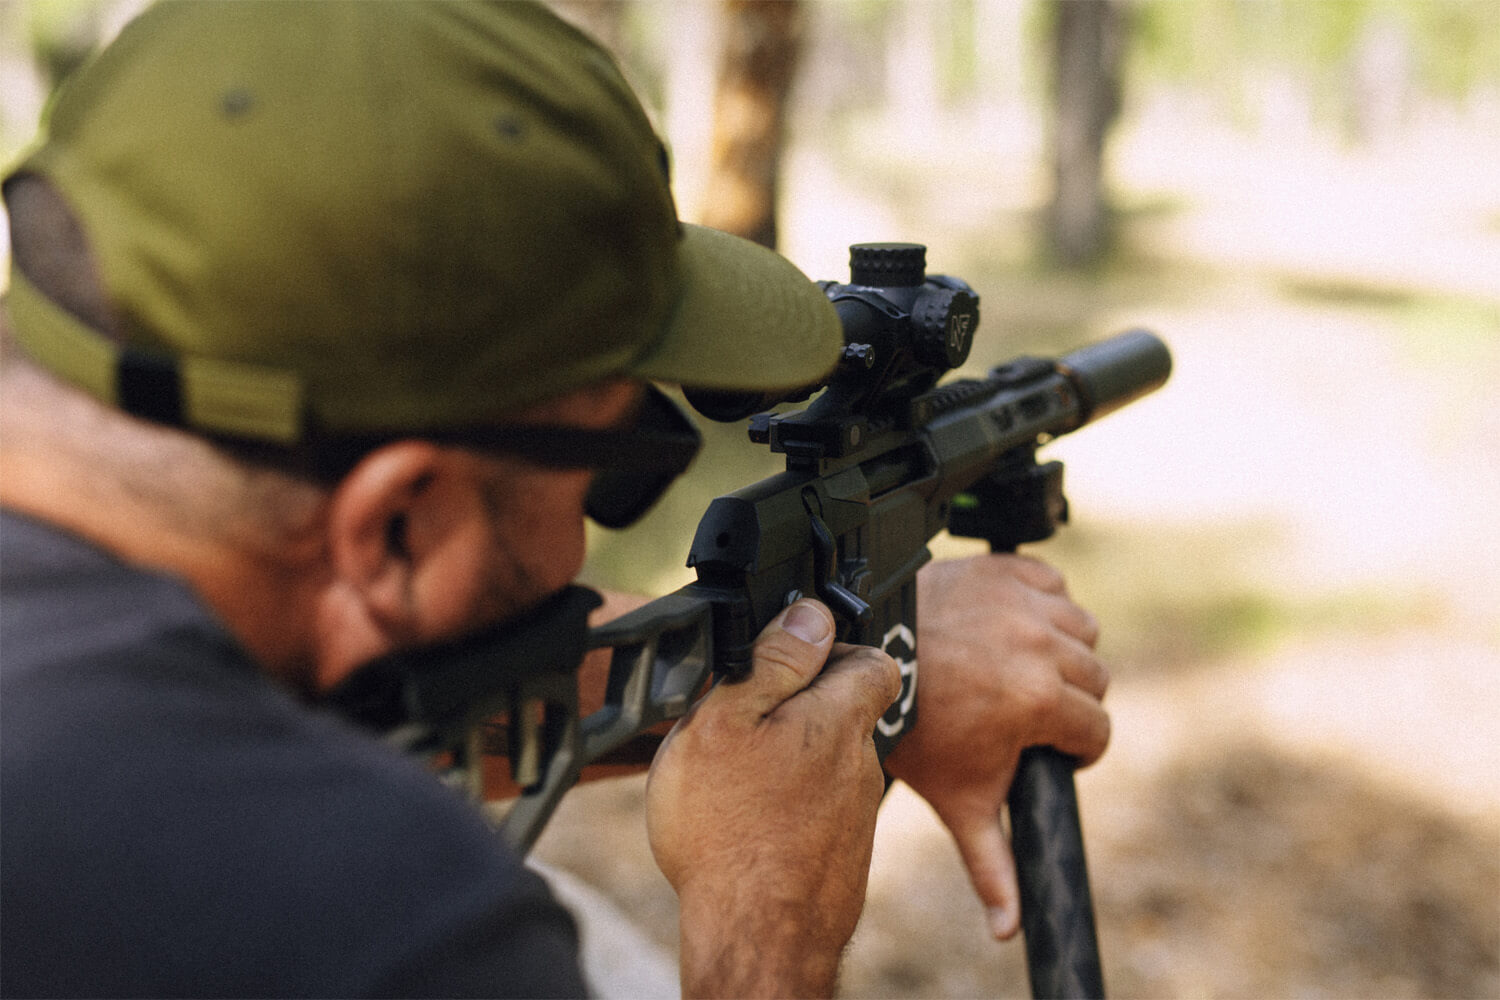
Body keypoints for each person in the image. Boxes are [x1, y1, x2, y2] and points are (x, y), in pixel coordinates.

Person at [0, 3, 1110, 997]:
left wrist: (846, 657)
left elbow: (406, 660)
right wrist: (762, 923)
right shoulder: (378, 920)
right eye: (613, 466)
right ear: (397, 525)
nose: (586, 529)